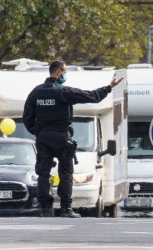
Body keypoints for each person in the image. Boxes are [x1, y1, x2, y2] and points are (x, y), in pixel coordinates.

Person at [22, 60, 123, 217]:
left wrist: (38, 132)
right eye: (65, 72)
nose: (65, 76)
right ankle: (65, 209)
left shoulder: (36, 92)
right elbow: (91, 96)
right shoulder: (63, 91)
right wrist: (108, 88)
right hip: (62, 137)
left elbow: (27, 117)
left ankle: (46, 209)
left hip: (43, 137)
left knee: (43, 173)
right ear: (59, 72)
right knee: (66, 173)